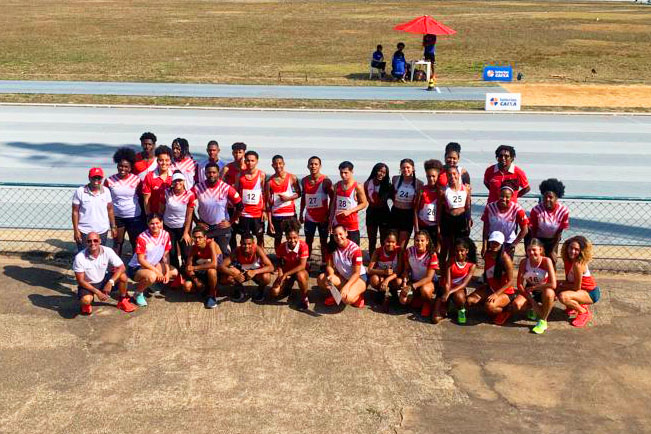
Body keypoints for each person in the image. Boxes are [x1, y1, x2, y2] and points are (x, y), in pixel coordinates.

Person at [186, 162, 243, 256]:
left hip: (221, 227)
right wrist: (197, 222)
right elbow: (188, 206)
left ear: (218, 173)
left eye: (214, 172)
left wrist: (230, 222)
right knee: (204, 253)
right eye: (209, 172)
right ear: (205, 173)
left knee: (222, 253)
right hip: (205, 227)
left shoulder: (226, 188)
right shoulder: (198, 188)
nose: (211, 175)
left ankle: (229, 265)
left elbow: (240, 206)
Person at [73, 232, 136, 315]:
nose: (92, 243)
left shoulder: (107, 251)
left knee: (123, 276)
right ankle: (87, 303)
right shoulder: (79, 257)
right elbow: (80, 281)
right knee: (86, 300)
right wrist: (98, 293)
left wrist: (110, 282)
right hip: (88, 283)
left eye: (95, 240)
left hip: (103, 279)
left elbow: (122, 267)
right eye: (89, 241)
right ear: (86, 242)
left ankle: (122, 300)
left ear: (100, 241)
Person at [127, 213, 178, 307]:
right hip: (136, 268)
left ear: (162, 222)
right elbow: (141, 260)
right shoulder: (142, 237)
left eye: (157, 223)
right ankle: (138, 293)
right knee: (152, 276)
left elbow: (166, 256)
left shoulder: (165, 234)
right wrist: (156, 271)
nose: (155, 226)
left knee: (174, 272)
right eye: (152, 223)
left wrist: (166, 272)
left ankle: (151, 284)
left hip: (153, 265)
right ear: (147, 224)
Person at [467, 231, 516, 325]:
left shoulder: (506, 259)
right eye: (492, 242)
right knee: (470, 301)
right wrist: (485, 284)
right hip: (491, 288)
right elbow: (487, 272)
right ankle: (493, 305)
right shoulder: (487, 255)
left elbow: (510, 282)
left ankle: (505, 311)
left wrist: (496, 294)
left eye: (497, 243)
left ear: (502, 244)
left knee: (489, 306)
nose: (494, 245)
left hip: (505, 292)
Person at [105, 148, 145, 256]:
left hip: (134, 217)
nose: (123, 169)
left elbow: (142, 198)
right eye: (120, 166)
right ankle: (116, 268)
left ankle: (135, 267)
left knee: (135, 243)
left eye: (126, 166)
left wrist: (143, 216)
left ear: (131, 168)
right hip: (117, 217)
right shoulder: (109, 181)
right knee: (118, 243)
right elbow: (105, 200)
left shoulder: (136, 180)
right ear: (117, 166)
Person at [513, 238, 557, 335]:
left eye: (534, 250)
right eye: (529, 250)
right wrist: (532, 301)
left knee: (549, 293)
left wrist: (535, 288)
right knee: (517, 304)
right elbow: (519, 284)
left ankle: (543, 320)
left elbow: (553, 284)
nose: (531, 253)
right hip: (530, 290)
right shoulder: (524, 262)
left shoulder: (547, 261)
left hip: (543, 289)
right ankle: (533, 309)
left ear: (540, 250)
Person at [317, 225, 367, 308]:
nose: (338, 237)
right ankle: (337, 297)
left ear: (346, 233)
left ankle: (358, 296)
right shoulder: (331, 247)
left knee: (347, 299)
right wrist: (331, 275)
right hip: (344, 277)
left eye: (341, 234)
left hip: (358, 278)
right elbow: (329, 266)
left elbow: (356, 273)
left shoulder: (355, 249)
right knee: (322, 279)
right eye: (335, 235)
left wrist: (346, 287)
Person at [557, 236, 600, 328]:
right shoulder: (568, 259)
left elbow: (576, 287)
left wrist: (560, 285)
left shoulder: (578, 264)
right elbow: (569, 280)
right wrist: (559, 284)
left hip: (591, 293)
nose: (572, 251)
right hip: (582, 290)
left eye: (576, 249)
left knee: (562, 296)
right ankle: (572, 306)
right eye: (571, 248)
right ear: (567, 247)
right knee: (555, 285)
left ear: (581, 251)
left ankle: (583, 312)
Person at [72, 167, 117, 251]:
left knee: (99, 254)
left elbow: (110, 209)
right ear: (89, 178)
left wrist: (113, 227)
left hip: (102, 231)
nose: (96, 180)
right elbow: (75, 211)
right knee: (84, 255)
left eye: (99, 178)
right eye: (94, 177)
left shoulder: (106, 191)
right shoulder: (80, 191)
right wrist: (76, 230)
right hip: (84, 231)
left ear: (102, 178)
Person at [398, 230, 440, 321]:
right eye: (417, 240)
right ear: (414, 241)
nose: (419, 243)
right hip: (414, 280)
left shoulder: (432, 254)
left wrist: (411, 287)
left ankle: (428, 304)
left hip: (429, 282)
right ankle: (418, 300)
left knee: (425, 290)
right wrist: (405, 283)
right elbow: (407, 269)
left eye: (422, 241)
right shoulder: (409, 251)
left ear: (427, 241)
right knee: (403, 301)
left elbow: (429, 277)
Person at [220, 232, 274, 303]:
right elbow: (221, 266)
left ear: (253, 243)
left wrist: (254, 272)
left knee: (266, 277)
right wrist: (235, 275)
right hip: (242, 273)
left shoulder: (257, 249)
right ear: (240, 243)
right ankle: (239, 288)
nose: (246, 246)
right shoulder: (237, 250)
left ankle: (260, 290)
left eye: (249, 244)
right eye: (244, 244)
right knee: (224, 279)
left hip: (256, 274)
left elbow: (271, 267)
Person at [299, 156, 333, 268]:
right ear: (308, 166)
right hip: (309, 217)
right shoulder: (304, 180)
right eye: (311, 164)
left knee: (323, 242)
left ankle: (324, 263)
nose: (313, 166)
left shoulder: (325, 181)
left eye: (316, 164)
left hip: (323, 218)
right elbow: (304, 198)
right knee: (308, 240)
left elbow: (333, 198)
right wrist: (301, 213)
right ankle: (307, 263)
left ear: (320, 166)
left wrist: (328, 215)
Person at [527, 178, 570, 265]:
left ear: (557, 197)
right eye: (545, 197)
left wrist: (553, 250)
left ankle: (551, 277)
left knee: (551, 261)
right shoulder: (536, 210)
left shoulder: (564, 211)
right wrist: (535, 246)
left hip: (553, 239)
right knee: (538, 261)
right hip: (538, 238)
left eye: (551, 197)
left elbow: (559, 232)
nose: (547, 199)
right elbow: (533, 231)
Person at [161, 171, 196, 273]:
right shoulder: (166, 192)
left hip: (182, 227)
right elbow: (161, 211)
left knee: (186, 252)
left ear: (184, 181)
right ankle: (176, 274)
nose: (177, 183)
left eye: (180, 180)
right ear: (172, 182)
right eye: (175, 180)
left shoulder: (190, 195)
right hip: (168, 227)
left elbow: (189, 215)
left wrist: (186, 232)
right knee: (172, 253)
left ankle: (187, 272)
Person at [481, 185, 528, 258]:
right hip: (493, 242)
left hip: (508, 243)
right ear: (498, 195)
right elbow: (486, 228)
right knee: (491, 266)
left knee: (506, 266)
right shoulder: (490, 207)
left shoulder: (517, 209)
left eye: (507, 197)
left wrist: (513, 244)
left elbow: (525, 230)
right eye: (502, 196)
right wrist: (484, 245)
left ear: (511, 197)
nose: (504, 199)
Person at [439, 165, 472, 268]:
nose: (452, 176)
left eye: (454, 174)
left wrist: (469, 219)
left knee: (460, 245)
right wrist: (439, 224)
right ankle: (443, 269)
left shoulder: (466, 189)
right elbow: (440, 208)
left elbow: (468, 205)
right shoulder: (443, 190)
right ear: (447, 177)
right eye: (449, 175)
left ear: (458, 175)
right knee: (446, 245)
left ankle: (458, 267)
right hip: (448, 219)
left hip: (461, 219)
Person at [271, 225, 310, 310]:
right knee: (275, 292)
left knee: (300, 276)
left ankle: (304, 297)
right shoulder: (281, 247)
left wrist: (285, 274)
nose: (292, 241)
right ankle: (288, 287)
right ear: (286, 237)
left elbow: (302, 266)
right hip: (287, 272)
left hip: (301, 271)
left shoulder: (303, 246)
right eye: (289, 238)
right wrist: (280, 272)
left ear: (298, 236)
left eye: (295, 237)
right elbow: (278, 261)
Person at [330, 161, 368, 247]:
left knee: (353, 248)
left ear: (352, 172)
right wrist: (330, 221)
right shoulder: (337, 185)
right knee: (335, 249)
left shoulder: (357, 186)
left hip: (351, 223)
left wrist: (350, 211)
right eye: (341, 173)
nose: (343, 175)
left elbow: (364, 203)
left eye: (346, 173)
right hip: (338, 222)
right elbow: (333, 204)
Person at [266, 155, 300, 249]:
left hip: (290, 214)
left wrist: (288, 198)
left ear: (284, 164)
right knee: (278, 238)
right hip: (276, 215)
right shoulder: (269, 182)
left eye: (280, 163)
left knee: (292, 237)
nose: (278, 166)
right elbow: (268, 203)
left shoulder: (292, 177)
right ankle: (279, 257)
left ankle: (293, 255)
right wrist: (269, 221)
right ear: (272, 165)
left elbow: (299, 193)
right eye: (275, 164)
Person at [184, 227, 222, 309]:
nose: (197, 240)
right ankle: (205, 289)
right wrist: (196, 280)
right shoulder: (193, 248)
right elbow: (188, 267)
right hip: (202, 273)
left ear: (205, 238)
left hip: (217, 273)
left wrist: (194, 268)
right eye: (195, 237)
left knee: (211, 271)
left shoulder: (211, 244)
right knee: (187, 286)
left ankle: (212, 294)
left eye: (200, 237)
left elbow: (214, 264)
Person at [441, 237, 477, 325]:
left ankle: (461, 309)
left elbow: (464, 284)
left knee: (460, 297)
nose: (459, 253)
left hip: (459, 289)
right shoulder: (450, 261)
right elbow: (447, 282)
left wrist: (449, 292)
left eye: (462, 250)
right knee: (437, 317)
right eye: (457, 251)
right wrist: (446, 292)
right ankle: (445, 304)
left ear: (467, 251)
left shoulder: (471, 265)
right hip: (448, 287)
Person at [390, 158, 422, 249]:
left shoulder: (419, 183)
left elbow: (418, 202)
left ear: (413, 168)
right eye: (403, 168)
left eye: (408, 167)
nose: (406, 170)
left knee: (402, 245)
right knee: (393, 243)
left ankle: (400, 263)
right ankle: (392, 262)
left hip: (408, 214)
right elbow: (392, 194)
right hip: (395, 212)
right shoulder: (395, 179)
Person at [221, 142, 248, 250]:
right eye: (235, 152)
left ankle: (244, 253)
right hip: (231, 206)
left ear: (244, 153)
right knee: (231, 231)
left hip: (245, 206)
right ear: (232, 153)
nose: (237, 155)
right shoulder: (227, 168)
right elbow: (220, 184)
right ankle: (233, 254)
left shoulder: (248, 167)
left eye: (240, 152)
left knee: (245, 233)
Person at [367, 230, 402, 310]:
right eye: (388, 241)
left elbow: (399, 270)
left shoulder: (399, 251)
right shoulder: (378, 251)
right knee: (374, 279)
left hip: (393, 277)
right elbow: (369, 270)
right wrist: (383, 272)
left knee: (399, 281)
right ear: (384, 241)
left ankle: (393, 292)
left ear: (396, 242)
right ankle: (381, 292)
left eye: (393, 242)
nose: (390, 244)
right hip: (381, 276)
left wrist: (387, 280)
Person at [237, 150, 267, 247]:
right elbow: (236, 194)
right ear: (245, 161)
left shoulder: (261, 175)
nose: (250, 163)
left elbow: (265, 193)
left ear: (257, 161)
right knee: (244, 238)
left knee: (260, 237)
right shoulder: (239, 175)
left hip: (257, 213)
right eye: (248, 160)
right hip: (244, 213)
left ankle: (260, 259)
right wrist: (236, 211)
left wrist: (265, 210)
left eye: (252, 160)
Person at [414, 159, 443, 253]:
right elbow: (415, 210)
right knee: (422, 250)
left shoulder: (441, 191)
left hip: (435, 227)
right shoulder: (422, 191)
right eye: (428, 176)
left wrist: (439, 228)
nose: (431, 179)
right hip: (423, 226)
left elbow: (441, 211)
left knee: (435, 251)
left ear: (438, 176)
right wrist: (417, 229)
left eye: (433, 176)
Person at [364, 163, 391, 257]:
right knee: (372, 239)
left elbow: (391, 199)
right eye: (379, 171)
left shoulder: (387, 185)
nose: (381, 174)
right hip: (371, 212)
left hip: (384, 213)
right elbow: (365, 199)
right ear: (375, 171)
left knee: (384, 239)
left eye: (384, 172)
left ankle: (383, 258)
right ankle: (372, 257)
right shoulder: (367, 184)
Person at [142, 145, 173, 215]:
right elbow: (146, 200)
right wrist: (148, 216)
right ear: (157, 161)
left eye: (167, 160)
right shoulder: (149, 177)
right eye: (161, 160)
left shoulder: (175, 176)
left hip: (171, 217)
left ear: (171, 161)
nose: (164, 163)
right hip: (155, 217)